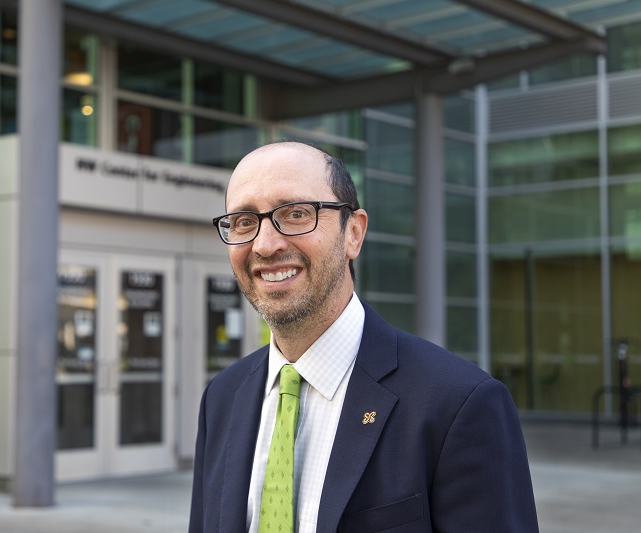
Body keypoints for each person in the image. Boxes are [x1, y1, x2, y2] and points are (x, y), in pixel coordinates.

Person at [189, 141, 538, 533]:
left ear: (353, 233)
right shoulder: (221, 398)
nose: (266, 244)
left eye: (296, 214)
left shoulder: (459, 404)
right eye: (243, 221)